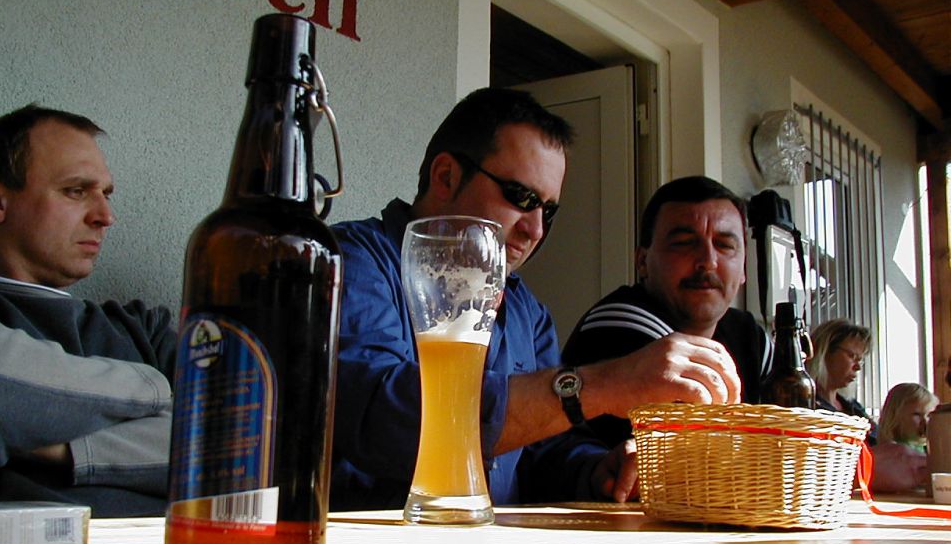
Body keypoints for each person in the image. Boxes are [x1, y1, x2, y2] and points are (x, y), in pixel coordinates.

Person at [330, 88, 741, 511]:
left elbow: (542, 453)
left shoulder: (529, 312)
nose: (536, 230)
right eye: (521, 198)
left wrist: (598, 471)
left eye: (548, 210)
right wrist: (602, 383)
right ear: (446, 176)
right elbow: (378, 415)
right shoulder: (351, 261)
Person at [0, 104, 177, 516]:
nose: (105, 216)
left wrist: (58, 448)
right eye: (76, 191)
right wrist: (156, 390)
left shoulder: (143, 327)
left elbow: (244, 439)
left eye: (106, 194)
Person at [562, 175, 771, 448]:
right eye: (684, 243)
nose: (707, 261)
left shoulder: (750, 336)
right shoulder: (620, 322)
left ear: (743, 268)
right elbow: (691, 455)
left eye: (724, 245)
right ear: (642, 262)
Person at [806, 318, 877, 443]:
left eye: (860, 360)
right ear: (825, 352)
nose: (858, 367)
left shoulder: (852, 406)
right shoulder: (803, 404)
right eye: (852, 356)